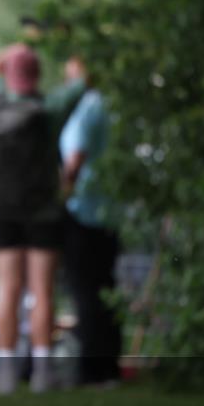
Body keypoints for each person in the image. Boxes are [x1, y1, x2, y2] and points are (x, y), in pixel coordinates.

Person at [0, 44, 84, 394]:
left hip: (4, 209)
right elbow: (82, 78)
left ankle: (5, 375)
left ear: (9, 74)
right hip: (44, 210)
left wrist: (10, 50)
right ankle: (42, 373)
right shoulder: (50, 108)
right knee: (43, 291)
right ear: (37, 74)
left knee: (7, 290)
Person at [59, 56, 121, 387]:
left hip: (83, 210)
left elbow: (75, 158)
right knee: (107, 289)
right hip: (111, 211)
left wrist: (60, 196)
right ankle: (109, 367)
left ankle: (91, 370)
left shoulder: (88, 105)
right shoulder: (113, 105)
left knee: (85, 292)